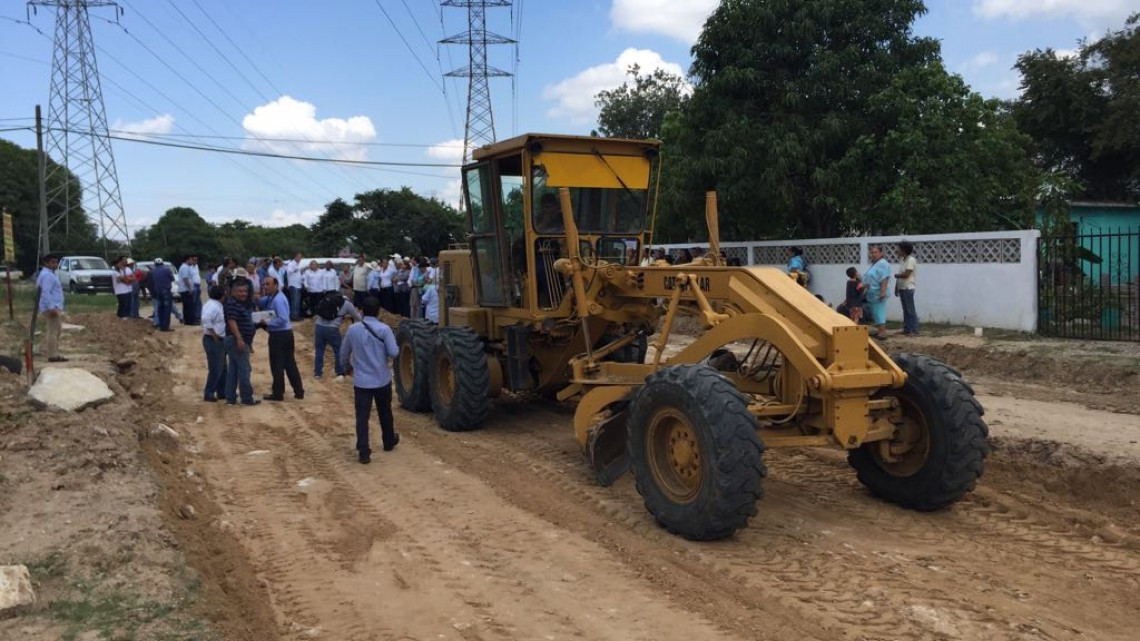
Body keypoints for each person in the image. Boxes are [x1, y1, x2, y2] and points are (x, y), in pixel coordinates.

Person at [339, 297, 399, 464]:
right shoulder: (384, 330)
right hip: (382, 379)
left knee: (362, 416)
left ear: (362, 311)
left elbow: (343, 353)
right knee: (385, 412)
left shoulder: (353, 330)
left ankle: (363, 450)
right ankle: (388, 441)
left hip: (362, 382)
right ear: (379, 311)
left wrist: (347, 368)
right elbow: (394, 352)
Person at [258, 276, 304, 401]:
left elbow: (283, 318)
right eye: (264, 284)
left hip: (280, 335)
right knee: (289, 364)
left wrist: (267, 323)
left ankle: (278, 393)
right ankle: (298, 390)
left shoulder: (278, 299)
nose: (265, 286)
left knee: (277, 365)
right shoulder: (274, 297)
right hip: (285, 334)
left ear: (276, 285)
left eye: (268, 284)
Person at [223, 283, 260, 406]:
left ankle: (230, 398)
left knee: (233, 370)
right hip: (236, 341)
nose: (243, 294)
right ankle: (246, 398)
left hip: (234, 340)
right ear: (233, 292)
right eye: (240, 291)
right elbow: (232, 322)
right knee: (244, 370)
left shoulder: (237, 304)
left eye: (245, 291)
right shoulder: (233, 304)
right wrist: (239, 339)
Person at [314, 289, 361, 380]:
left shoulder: (329, 299)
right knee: (338, 350)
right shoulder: (348, 304)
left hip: (318, 326)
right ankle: (340, 372)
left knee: (319, 350)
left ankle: (317, 373)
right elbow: (358, 318)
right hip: (332, 329)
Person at [36, 254, 67, 362]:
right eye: (52, 262)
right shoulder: (47, 276)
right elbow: (45, 292)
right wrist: (51, 308)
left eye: (56, 262)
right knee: (53, 331)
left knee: (57, 330)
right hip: (51, 307)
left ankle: (54, 353)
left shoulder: (50, 274)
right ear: (46, 263)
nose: (55, 264)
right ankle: (52, 355)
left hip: (54, 306)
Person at [201, 285, 228, 402]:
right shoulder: (214, 307)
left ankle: (222, 391)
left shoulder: (213, 304)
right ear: (222, 295)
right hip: (213, 339)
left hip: (215, 339)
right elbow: (206, 319)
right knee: (216, 367)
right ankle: (209, 392)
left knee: (222, 366)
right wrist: (214, 334)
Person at [862, 245, 892, 340]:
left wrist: (882, 292)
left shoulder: (883, 263)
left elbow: (884, 278)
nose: (873, 254)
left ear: (881, 253)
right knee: (876, 312)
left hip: (878, 292)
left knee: (879, 312)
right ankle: (880, 331)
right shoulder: (875, 264)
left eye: (876, 252)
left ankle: (882, 333)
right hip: (872, 292)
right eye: (872, 252)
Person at [895, 241, 919, 336]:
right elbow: (902, 274)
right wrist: (896, 287)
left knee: (910, 309)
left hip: (908, 287)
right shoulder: (903, 260)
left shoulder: (911, 260)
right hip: (902, 287)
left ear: (904, 250)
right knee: (905, 310)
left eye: (899, 248)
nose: (897, 250)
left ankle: (914, 330)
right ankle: (907, 329)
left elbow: (906, 274)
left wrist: (897, 276)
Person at [150, 257, 175, 331]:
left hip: (158, 292)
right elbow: (172, 278)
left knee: (160, 309)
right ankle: (165, 327)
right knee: (167, 309)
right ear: (162, 263)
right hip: (166, 291)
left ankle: (161, 326)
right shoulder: (166, 270)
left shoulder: (153, 271)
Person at [178, 255, 200, 325]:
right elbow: (185, 279)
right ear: (187, 260)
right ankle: (191, 321)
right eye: (191, 259)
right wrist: (190, 289)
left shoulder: (184, 267)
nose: (192, 261)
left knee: (186, 306)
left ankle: (187, 321)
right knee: (190, 306)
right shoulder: (185, 267)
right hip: (186, 290)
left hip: (184, 289)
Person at [285, 253, 304, 320]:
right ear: (295, 257)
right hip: (293, 285)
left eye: (301, 257)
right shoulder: (291, 264)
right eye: (299, 257)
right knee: (294, 301)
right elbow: (289, 271)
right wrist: (295, 269)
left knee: (298, 301)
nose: (300, 259)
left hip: (298, 285)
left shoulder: (298, 265)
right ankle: (293, 316)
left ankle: (296, 315)